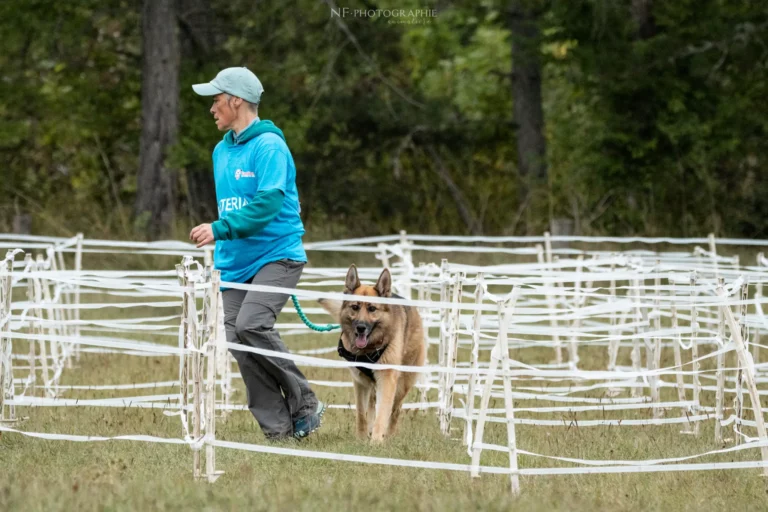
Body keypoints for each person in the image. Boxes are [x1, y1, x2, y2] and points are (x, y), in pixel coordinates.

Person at [189, 67, 325, 440]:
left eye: (216, 101)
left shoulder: (269, 146)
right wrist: (225, 239)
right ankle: (279, 431)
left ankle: (305, 402)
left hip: (277, 255)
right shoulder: (221, 151)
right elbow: (234, 206)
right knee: (238, 341)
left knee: (252, 326)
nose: (212, 109)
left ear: (236, 101)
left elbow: (266, 205)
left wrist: (219, 230)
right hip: (235, 261)